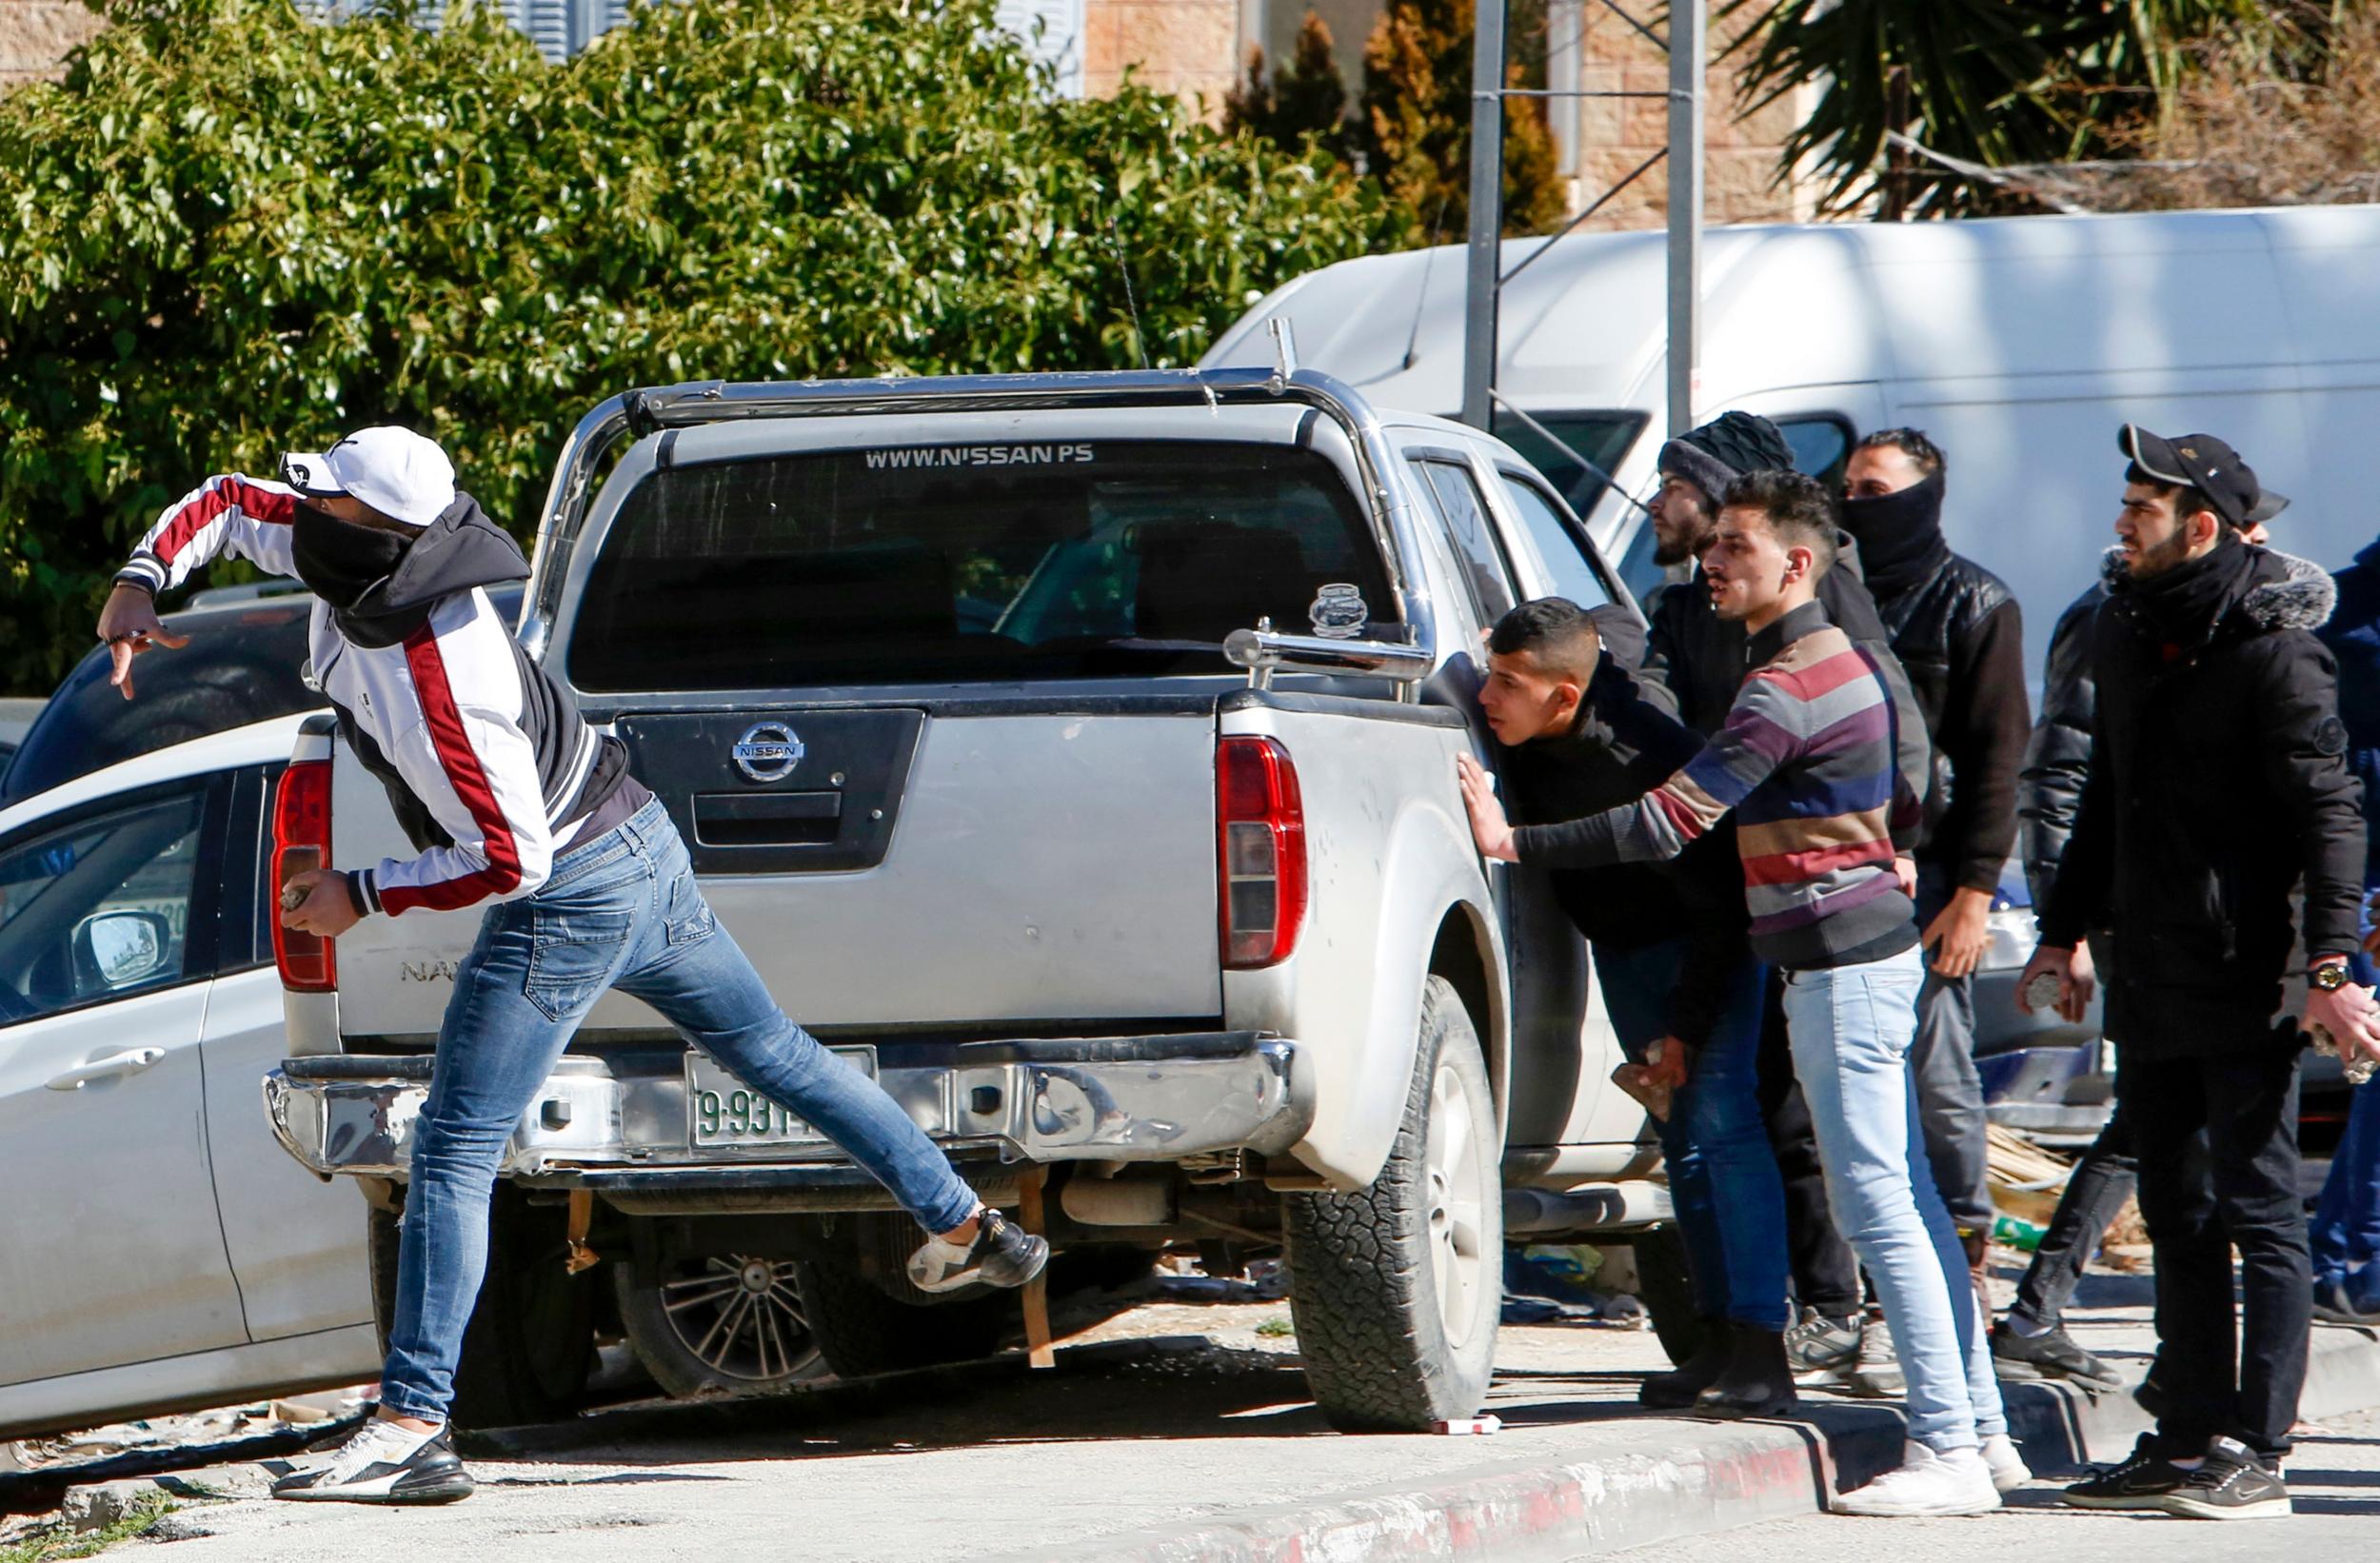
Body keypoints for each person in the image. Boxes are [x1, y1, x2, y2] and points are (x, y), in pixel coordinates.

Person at [97, 430, 1048, 1504]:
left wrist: (360, 893)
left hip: (569, 889)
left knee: (452, 1150)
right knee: (773, 1051)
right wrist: (141, 580)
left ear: (379, 535)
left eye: (327, 508)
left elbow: (513, 858)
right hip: (637, 840)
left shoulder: (442, 674)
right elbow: (227, 500)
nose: (299, 513)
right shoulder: (354, 549)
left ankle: (409, 1425)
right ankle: (966, 1224)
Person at [1460, 469, 2026, 1516]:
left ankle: (1946, 1446)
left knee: (1877, 1208)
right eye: (1712, 544)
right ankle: (1984, 1433)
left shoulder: (1786, 684)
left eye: (1735, 549)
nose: (1711, 563)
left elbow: (1668, 820)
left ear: (1796, 565)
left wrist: (1512, 841)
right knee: (1904, 1201)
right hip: (1856, 957)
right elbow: (1905, 797)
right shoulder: (1841, 661)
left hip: (1841, 970)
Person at [2021, 425, 2376, 1520]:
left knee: (2258, 1207)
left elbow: (2330, 815)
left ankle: (2257, 1449)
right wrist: (2060, 931)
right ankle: (2181, 1438)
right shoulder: (2127, 632)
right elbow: (2103, 808)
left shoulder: (2275, 651)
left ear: (2203, 527)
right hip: (2150, 963)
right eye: (2125, 501)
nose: (2121, 521)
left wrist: (2328, 962)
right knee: (2175, 1205)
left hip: (2247, 967)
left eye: (2142, 507)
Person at [1625, 411, 1927, 1384]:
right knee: (1744, 1114)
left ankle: (1861, 1347)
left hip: (1832, 915)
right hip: (1747, 900)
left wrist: (1894, 840)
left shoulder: (1808, 614)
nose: (1658, 505)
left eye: (1677, 488)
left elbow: (1888, 718)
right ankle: (1759, 1335)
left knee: (1851, 1162)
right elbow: (1660, 721)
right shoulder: (1682, 611)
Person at [1474, 599, 1790, 1415]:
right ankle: (1712, 1342)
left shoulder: (1646, 754)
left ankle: (1764, 1350)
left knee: (1724, 1129)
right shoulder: (1527, 728)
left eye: (1507, 683)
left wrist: (1684, 1028)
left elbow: (1723, 906)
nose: (1487, 696)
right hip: (1623, 952)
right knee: (1681, 1143)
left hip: (1702, 950)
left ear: (1565, 697)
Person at [1995, 493, 2280, 1386]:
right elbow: (2065, 768)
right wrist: (2065, 923)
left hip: (2159, 905)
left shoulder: (2220, 623)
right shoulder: (2113, 620)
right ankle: (2044, 1310)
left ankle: (2131, 1344)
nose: (2263, 542)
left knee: (2156, 1126)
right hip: (2123, 907)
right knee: (2151, 1125)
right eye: (2252, 528)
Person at [2309, 523, 2380, 1319]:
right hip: (2366, 872)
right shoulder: (2346, 604)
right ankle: (2357, 1255)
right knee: (2374, 1065)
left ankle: (2338, 1248)